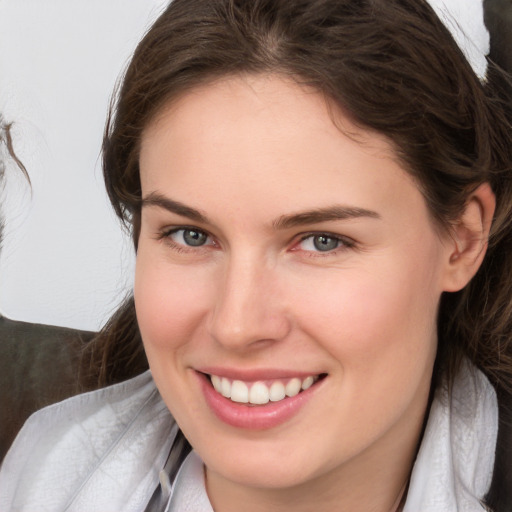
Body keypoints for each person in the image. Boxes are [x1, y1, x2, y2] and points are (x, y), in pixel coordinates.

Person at [1, 0, 511, 510]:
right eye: (191, 235)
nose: (237, 326)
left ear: (462, 239)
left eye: (321, 241)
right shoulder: (39, 474)